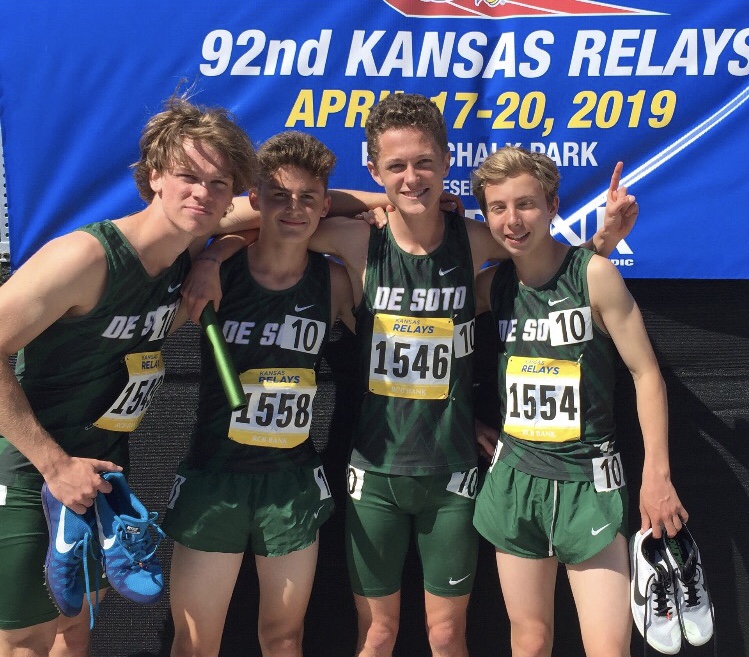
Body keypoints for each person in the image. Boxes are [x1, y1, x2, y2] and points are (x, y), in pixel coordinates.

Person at [186, 93, 635, 657]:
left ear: (447, 163)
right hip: (373, 468)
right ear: (373, 169)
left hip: (450, 472)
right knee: (376, 634)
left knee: (447, 636)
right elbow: (255, 217)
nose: (412, 177)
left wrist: (600, 245)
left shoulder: (476, 240)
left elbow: (549, 268)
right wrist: (209, 257)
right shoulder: (354, 239)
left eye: (424, 163)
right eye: (395, 166)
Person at [0, 94, 258, 657]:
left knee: (75, 629)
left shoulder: (190, 244)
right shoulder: (86, 258)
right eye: (188, 176)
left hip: (99, 475)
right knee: (24, 639)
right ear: (153, 178)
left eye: (220, 184)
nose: (204, 193)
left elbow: (279, 208)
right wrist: (54, 465)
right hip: (28, 470)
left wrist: (214, 259)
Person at [470, 146, 688, 657]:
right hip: (516, 480)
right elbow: (426, 343)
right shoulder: (490, 286)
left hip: (588, 482)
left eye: (525, 204)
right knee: (529, 641)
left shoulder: (593, 274)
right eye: (498, 208)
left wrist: (657, 474)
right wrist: (461, 422)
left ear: (552, 205)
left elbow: (646, 372)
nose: (512, 220)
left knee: (608, 648)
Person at [162, 130, 355, 657]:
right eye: (279, 195)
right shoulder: (216, 272)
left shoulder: (335, 282)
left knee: (283, 637)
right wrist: (209, 257)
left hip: (289, 483)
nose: (294, 209)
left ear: (324, 206)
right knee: (196, 643)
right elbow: (209, 227)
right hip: (213, 477)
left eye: (307, 198)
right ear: (255, 199)